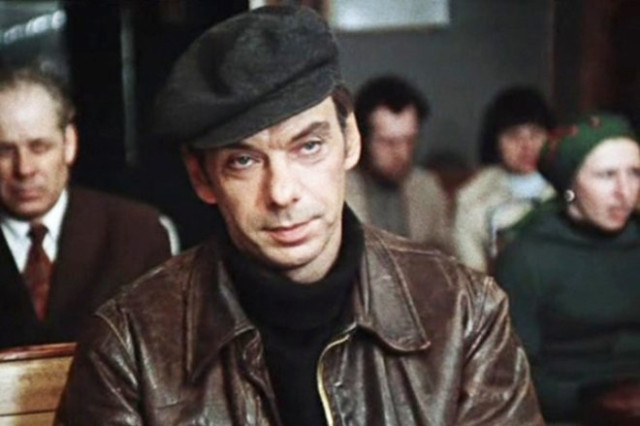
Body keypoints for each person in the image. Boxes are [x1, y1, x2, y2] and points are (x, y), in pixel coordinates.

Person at [57, 6, 543, 425]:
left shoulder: (465, 313)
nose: (282, 193)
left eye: (308, 146)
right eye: (244, 161)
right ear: (202, 177)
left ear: (349, 141)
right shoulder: (129, 345)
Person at [0, 67, 174, 349]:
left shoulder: (136, 231)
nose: (25, 169)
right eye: (4, 151)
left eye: (39, 147)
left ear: (69, 143)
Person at [494, 113, 640, 423]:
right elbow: (510, 374)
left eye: (634, 173)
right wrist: (590, 401)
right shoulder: (528, 258)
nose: (624, 190)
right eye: (606, 175)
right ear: (570, 184)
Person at [453, 86, 556, 272]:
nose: (526, 145)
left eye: (535, 134)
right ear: (495, 141)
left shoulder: (570, 185)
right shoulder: (473, 197)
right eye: (513, 136)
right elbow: (471, 272)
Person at [346, 75, 451, 251]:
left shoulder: (427, 188)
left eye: (410, 141)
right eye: (389, 143)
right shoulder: (341, 191)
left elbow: (447, 256)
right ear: (362, 140)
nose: (402, 154)